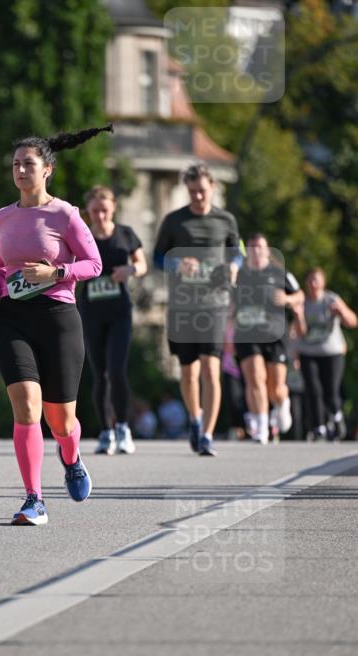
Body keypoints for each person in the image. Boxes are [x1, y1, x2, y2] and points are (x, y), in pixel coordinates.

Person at [0, 126, 108, 526]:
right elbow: (1, 267)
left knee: (61, 421)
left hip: (57, 319)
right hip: (13, 319)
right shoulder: (2, 217)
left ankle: (71, 456)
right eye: (16, 164)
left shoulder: (65, 214)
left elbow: (94, 264)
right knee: (27, 409)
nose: (20, 170)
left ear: (47, 169)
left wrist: (56, 273)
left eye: (29, 164)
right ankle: (34, 498)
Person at [153, 162, 242, 457]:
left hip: (214, 304)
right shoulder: (174, 221)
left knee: (211, 369)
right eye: (192, 192)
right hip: (182, 306)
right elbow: (157, 257)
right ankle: (194, 418)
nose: (198, 197)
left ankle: (207, 435)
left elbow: (238, 253)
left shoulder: (226, 220)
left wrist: (234, 265)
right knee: (189, 373)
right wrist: (177, 264)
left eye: (202, 191)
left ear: (212, 187)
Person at [78, 185, 147, 455]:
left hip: (119, 312)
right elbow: (70, 266)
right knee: (100, 375)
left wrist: (131, 269)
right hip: (92, 312)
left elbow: (142, 264)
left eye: (104, 210)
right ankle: (105, 432)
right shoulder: (82, 235)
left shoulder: (125, 234)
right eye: (95, 211)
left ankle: (122, 428)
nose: (100, 215)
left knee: (117, 371)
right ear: (88, 211)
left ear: (114, 208)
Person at [233, 233, 303, 444]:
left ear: (267, 250)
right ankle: (261, 427)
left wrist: (287, 299)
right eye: (251, 246)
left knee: (276, 387)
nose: (255, 250)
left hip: (274, 334)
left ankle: (282, 404)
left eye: (259, 246)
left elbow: (300, 295)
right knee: (255, 378)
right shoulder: (240, 273)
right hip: (247, 333)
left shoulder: (279, 272)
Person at [293, 267, 357, 440]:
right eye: (310, 280)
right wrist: (299, 317)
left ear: (323, 282)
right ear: (306, 283)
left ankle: (336, 417)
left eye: (317, 279)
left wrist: (341, 312)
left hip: (332, 351)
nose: (313, 283)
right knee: (313, 390)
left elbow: (353, 322)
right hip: (308, 352)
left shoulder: (332, 299)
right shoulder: (303, 303)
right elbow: (300, 333)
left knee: (331, 391)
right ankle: (318, 427)